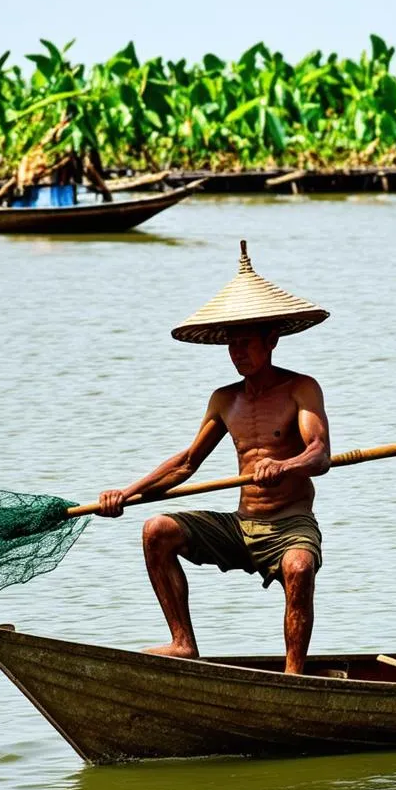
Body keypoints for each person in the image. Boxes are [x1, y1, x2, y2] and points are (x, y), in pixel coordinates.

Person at [97, 241, 331, 674]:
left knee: (299, 567)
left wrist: (284, 465)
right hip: (241, 526)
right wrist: (126, 495)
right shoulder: (225, 400)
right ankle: (182, 642)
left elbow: (320, 454)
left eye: (245, 342)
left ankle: (294, 677)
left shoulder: (301, 388)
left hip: (290, 525)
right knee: (157, 530)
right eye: (231, 344)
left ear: (271, 339)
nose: (237, 352)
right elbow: (187, 464)